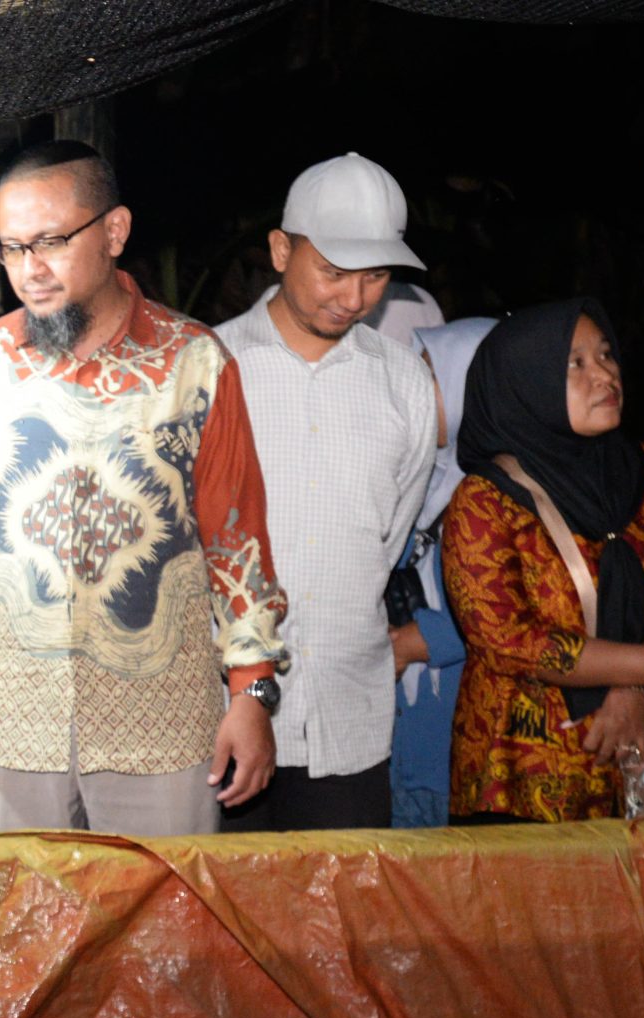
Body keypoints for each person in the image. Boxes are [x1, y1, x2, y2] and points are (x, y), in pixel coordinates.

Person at [0, 140, 290, 836]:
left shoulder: (193, 361)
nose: (30, 269)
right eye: (12, 248)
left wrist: (254, 696)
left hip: (164, 722)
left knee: (164, 930)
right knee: (21, 928)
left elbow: (239, 547)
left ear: (114, 231)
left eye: (49, 242)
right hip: (8, 721)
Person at [215, 154, 438, 831]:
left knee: (346, 931)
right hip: (223, 719)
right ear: (281, 251)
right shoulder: (211, 367)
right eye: (335, 272)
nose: (354, 297)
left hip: (351, 721)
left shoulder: (404, 383)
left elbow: (391, 538)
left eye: (375, 277)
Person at [441, 298, 644, 824]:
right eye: (576, 363)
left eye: (606, 355)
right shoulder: (486, 501)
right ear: (526, 381)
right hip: (523, 772)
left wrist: (632, 688)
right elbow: (506, 639)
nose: (605, 375)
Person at [388, 317, 496, 828]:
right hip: (402, 742)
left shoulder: (503, 492)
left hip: (460, 743)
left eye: (429, 376)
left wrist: (412, 642)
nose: (411, 388)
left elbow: (503, 609)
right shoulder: (420, 478)